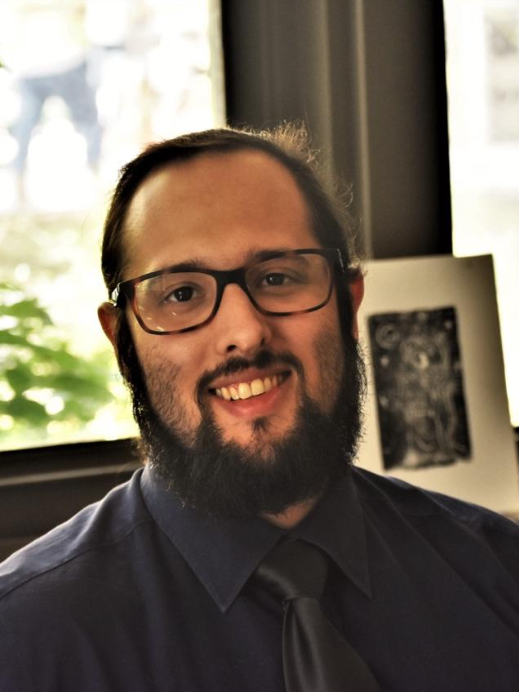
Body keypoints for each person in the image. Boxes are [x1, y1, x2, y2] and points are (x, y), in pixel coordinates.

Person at [1, 124, 519, 692]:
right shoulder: (24, 641)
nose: (245, 333)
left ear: (348, 306)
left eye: (278, 277)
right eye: (181, 294)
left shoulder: (501, 575)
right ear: (123, 343)